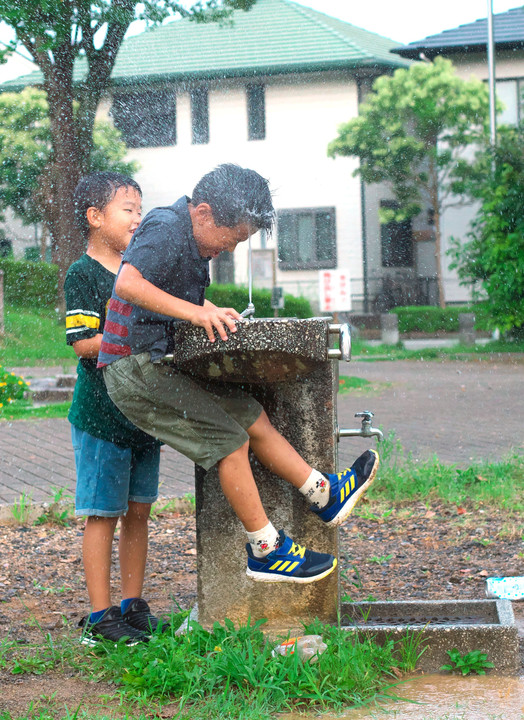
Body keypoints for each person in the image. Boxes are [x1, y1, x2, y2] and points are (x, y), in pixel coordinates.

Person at [98, 164, 379, 584]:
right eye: (234, 238)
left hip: (154, 362)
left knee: (250, 414)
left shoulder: (192, 243)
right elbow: (128, 284)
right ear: (205, 213)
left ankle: (324, 495)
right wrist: (197, 311)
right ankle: (265, 550)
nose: (231, 249)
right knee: (230, 442)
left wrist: (207, 314)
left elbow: (165, 304)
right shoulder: (165, 225)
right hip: (132, 369)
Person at [65, 171, 163, 645]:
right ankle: (101, 617)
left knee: (139, 511)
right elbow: (83, 343)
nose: (137, 218)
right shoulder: (83, 274)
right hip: (102, 417)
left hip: (142, 414)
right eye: (128, 209)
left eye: (140, 210)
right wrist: (135, 340)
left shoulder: (136, 271)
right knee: (102, 513)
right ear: (95, 217)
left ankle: (132, 606)